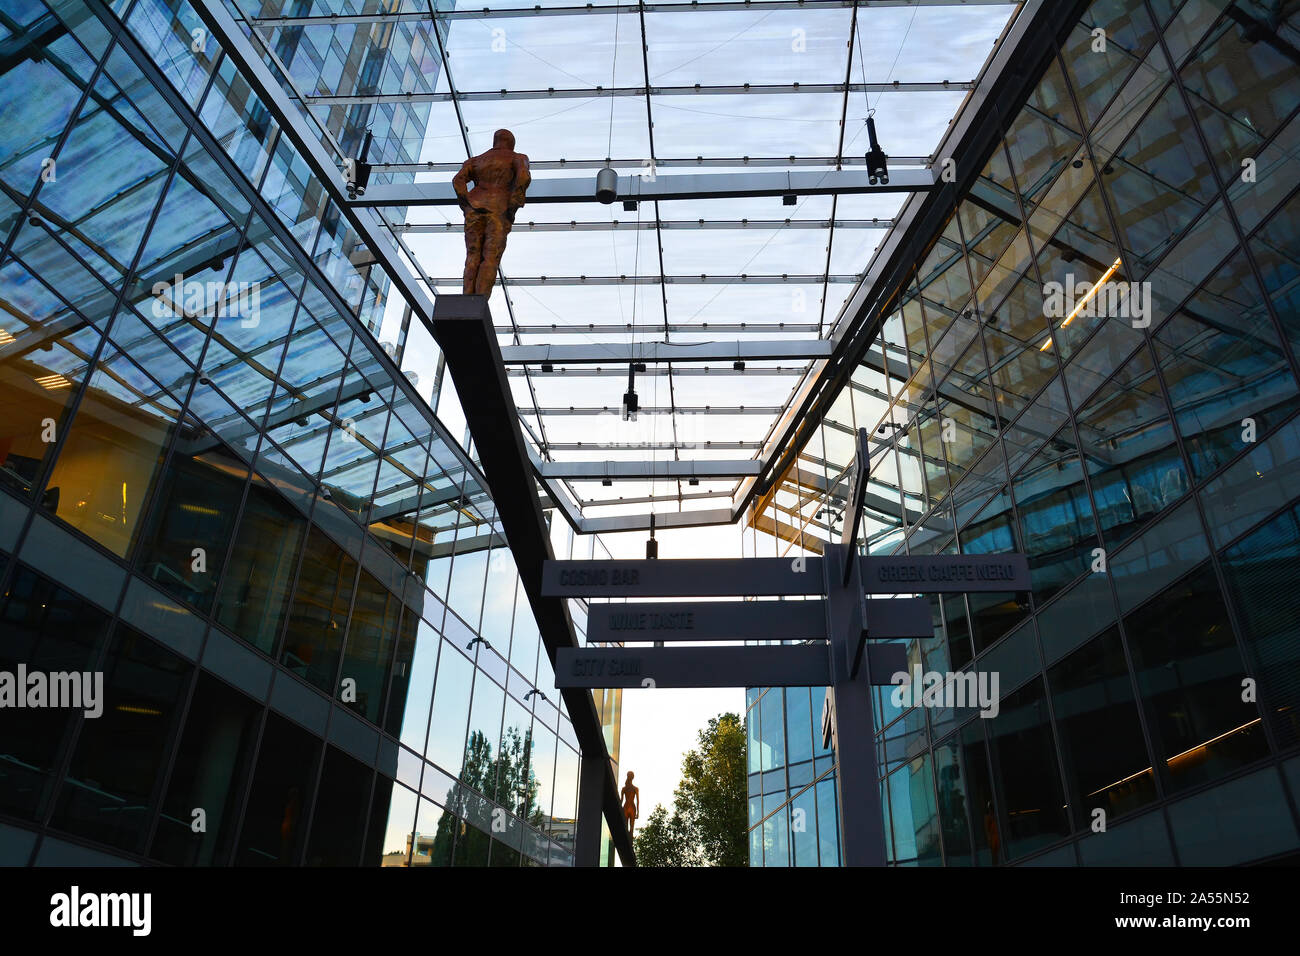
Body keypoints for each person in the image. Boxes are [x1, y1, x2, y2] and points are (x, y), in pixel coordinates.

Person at [452, 129, 530, 295]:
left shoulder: (476, 160)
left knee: (472, 254)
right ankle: (479, 301)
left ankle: (466, 299)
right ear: (511, 143)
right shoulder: (517, 157)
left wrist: (466, 203)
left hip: (474, 206)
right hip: (499, 208)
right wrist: (513, 205)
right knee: (490, 257)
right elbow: (523, 176)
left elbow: (458, 180)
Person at [620, 770, 639, 840]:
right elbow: (637, 801)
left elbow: (621, 800)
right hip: (632, 808)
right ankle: (629, 841)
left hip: (626, 807)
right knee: (631, 827)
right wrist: (637, 812)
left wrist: (620, 809)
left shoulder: (624, 788)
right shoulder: (635, 788)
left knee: (626, 826)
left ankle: (627, 840)